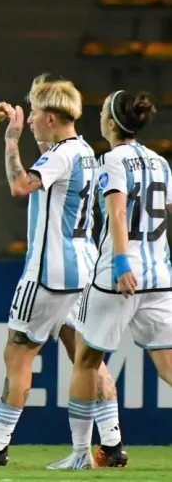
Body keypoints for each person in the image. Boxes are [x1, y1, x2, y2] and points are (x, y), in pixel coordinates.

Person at [0, 74, 126, 468]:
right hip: (83, 272)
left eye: (33, 113)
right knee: (87, 358)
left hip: (48, 275)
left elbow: (20, 186)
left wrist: (10, 142)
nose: (28, 120)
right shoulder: (85, 151)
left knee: (17, 357)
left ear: (50, 116)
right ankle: (112, 444)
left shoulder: (61, 154)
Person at [48, 90, 172, 470]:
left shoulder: (112, 160)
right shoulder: (161, 164)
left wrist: (120, 262)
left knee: (86, 359)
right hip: (160, 277)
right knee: (168, 365)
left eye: (102, 111)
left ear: (113, 123)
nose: (98, 115)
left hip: (118, 279)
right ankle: (99, 449)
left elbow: (117, 214)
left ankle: (80, 453)